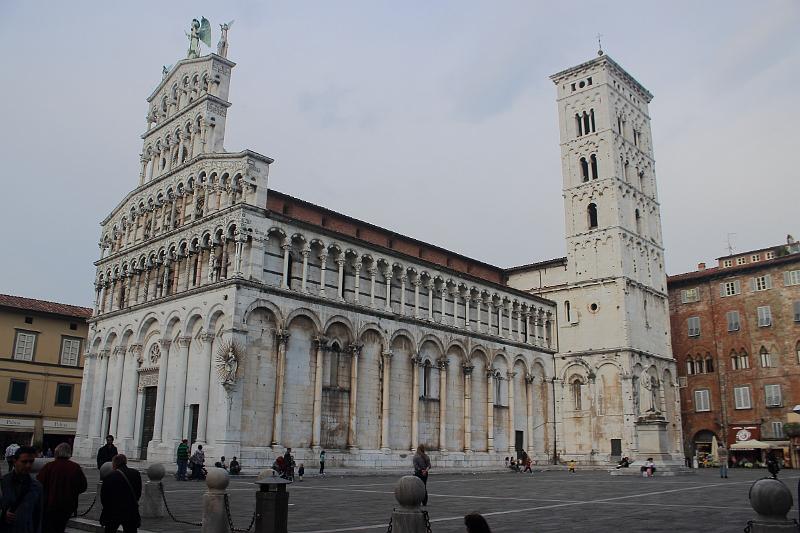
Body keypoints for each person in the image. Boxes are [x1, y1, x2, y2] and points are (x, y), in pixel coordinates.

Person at [37, 442, 87, 533]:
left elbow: (38, 484)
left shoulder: (49, 466)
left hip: (49, 505)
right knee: (60, 527)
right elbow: (83, 486)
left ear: (56, 453)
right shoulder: (75, 467)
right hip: (67, 505)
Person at [0, 446, 42, 533]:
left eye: (31, 462)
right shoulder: (3, 482)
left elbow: (38, 516)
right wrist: (2, 514)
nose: (28, 465)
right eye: (24, 462)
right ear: (15, 461)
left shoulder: (37, 486)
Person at [100, 454, 142, 533]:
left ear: (114, 463)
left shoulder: (109, 476)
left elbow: (104, 497)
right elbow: (138, 492)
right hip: (130, 510)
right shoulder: (135, 473)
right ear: (125, 462)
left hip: (114, 511)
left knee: (110, 530)